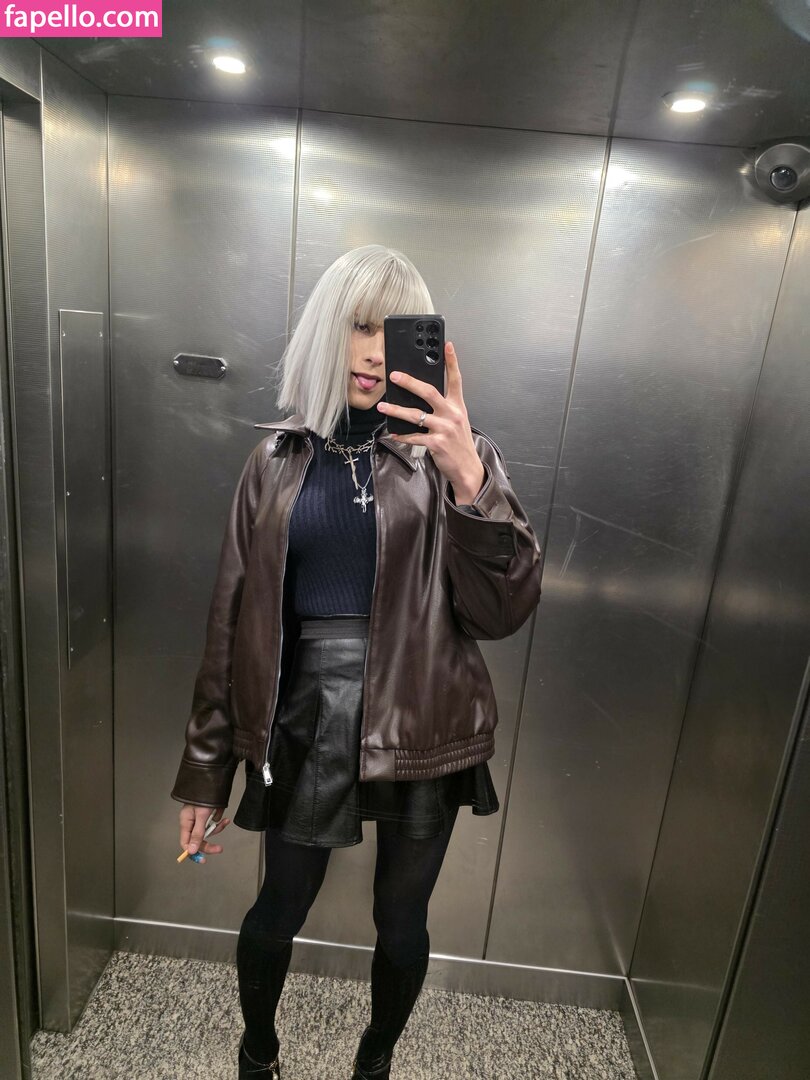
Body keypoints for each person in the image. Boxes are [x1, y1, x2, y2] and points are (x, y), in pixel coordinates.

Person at [170, 244, 543, 1078]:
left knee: (401, 919)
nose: (374, 351)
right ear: (328, 331)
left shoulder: (456, 456)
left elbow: (504, 612)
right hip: (306, 712)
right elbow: (229, 623)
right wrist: (205, 774)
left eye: (395, 331)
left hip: (426, 711)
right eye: (360, 326)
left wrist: (469, 477)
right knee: (279, 903)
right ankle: (257, 1053)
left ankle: (374, 1063)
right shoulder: (274, 461)